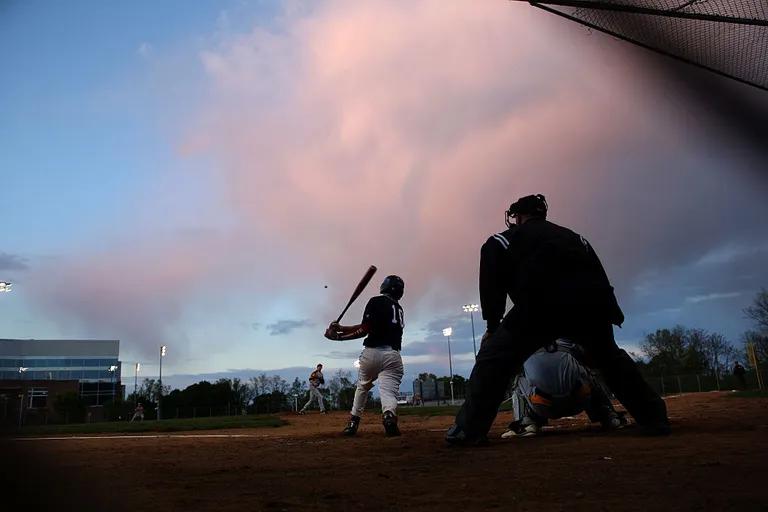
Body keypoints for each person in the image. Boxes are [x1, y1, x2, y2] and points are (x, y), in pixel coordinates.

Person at [446, 194, 670, 445]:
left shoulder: (502, 240)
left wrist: (492, 325)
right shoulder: (575, 238)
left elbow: (491, 284)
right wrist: (610, 316)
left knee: (493, 361)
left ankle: (469, 430)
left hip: (538, 308)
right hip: (590, 308)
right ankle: (654, 418)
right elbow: (600, 278)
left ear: (518, 217)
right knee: (610, 359)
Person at [324, 275, 406, 437]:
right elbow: (366, 327)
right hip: (393, 356)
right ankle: (389, 416)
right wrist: (341, 328)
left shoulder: (376, 301)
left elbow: (364, 330)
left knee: (362, 386)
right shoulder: (399, 308)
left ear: (385, 286)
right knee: (388, 391)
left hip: (372, 353)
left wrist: (338, 337)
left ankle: (353, 422)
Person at [501, 338, 627, 438]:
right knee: (588, 372)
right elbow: (591, 360)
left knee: (518, 380)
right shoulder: (568, 338)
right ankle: (609, 417)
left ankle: (526, 424)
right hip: (579, 399)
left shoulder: (523, 342)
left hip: (542, 405)